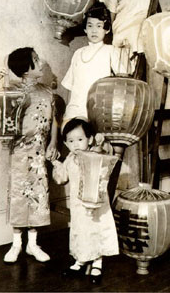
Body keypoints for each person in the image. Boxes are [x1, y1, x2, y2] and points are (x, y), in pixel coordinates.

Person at [0, 47, 58, 263]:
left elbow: (54, 122)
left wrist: (53, 142)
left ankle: (33, 244)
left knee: (39, 196)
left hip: (39, 153)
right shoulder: (12, 91)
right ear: (25, 69)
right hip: (19, 152)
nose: (40, 62)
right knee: (19, 195)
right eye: (35, 60)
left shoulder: (47, 92)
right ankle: (16, 244)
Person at [52, 118, 119, 284]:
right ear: (66, 144)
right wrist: (55, 163)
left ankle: (97, 262)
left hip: (97, 203)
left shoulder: (96, 155)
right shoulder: (69, 159)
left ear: (89, 139)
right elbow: (61, 178)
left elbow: (107, 162)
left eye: (80, 140)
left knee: (96, 228)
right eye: (71, 141)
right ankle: (81, 260)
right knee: (80, 230)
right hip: (78, 205)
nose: (76, 144)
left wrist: (100, 144)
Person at [61, 2, 127, 125]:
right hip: (75, 110)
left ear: (106, 29)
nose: (94, 30)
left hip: (99, 109)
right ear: (85, 29)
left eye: (99, 26)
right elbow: (70, 86)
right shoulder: (78, 53)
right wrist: (67, 112)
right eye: (90, 26)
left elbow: (123, 78)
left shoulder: (110, 50)